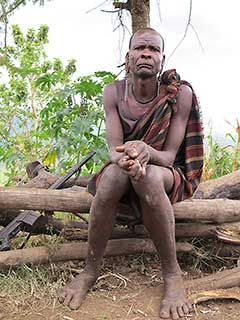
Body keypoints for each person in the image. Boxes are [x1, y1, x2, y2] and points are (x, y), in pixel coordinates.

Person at [58, 27, 204, 319]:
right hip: (126, 168)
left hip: (164, 171)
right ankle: (90, 270)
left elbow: (168, 155)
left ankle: (173, 276)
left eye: (153, 50)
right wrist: (127, 160)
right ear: (128, 58)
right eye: (139, 49)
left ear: (162, 60)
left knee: (148, 176)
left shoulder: (179, 94)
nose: (146, 54)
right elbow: (114, 150)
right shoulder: (113, 92)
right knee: (112, 176)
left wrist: (146, 154)